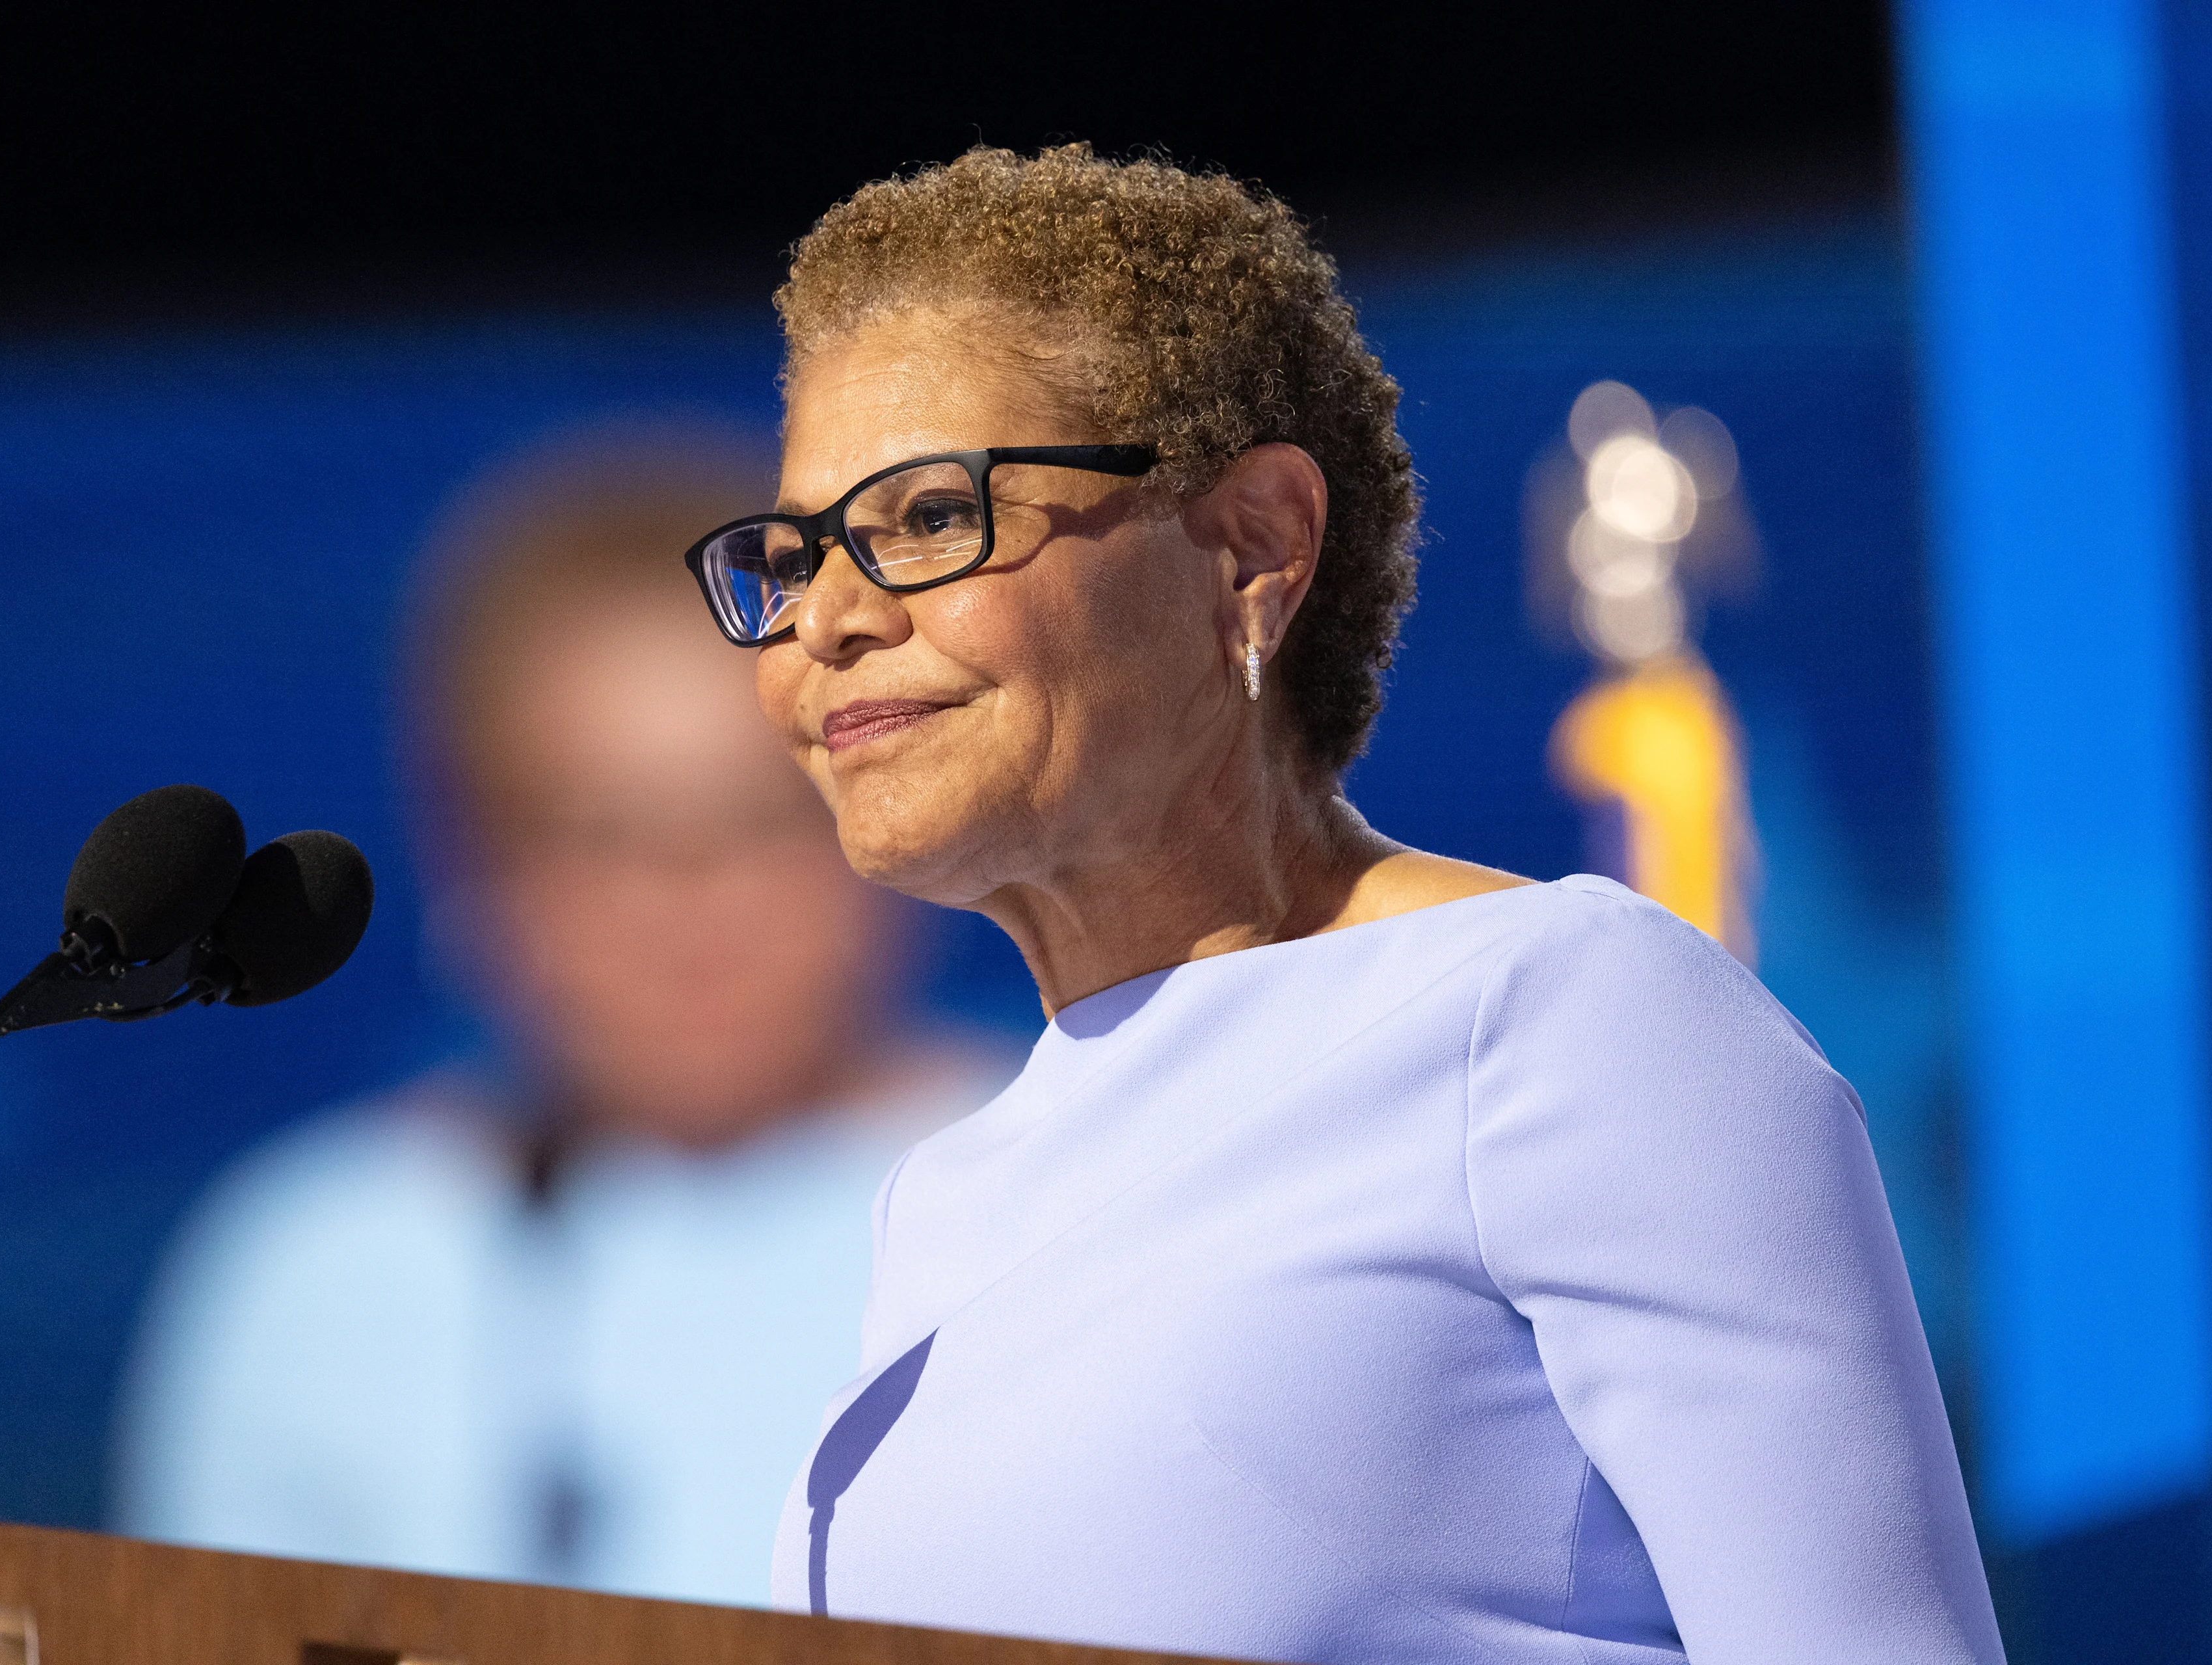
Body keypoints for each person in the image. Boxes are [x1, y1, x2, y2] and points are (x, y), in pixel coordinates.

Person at [677, 148, 2005, 1663]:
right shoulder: (947, 1189)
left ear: (1255, 545)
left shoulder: (1558, 1016)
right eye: (791, 556)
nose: (829, 616)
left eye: (927, 515)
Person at [113, 442, 1004, 1606]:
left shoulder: (1077, 1202)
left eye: (762, 818)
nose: (693, 909)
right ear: (474, 867)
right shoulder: (320, 1269)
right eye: (605, 835)